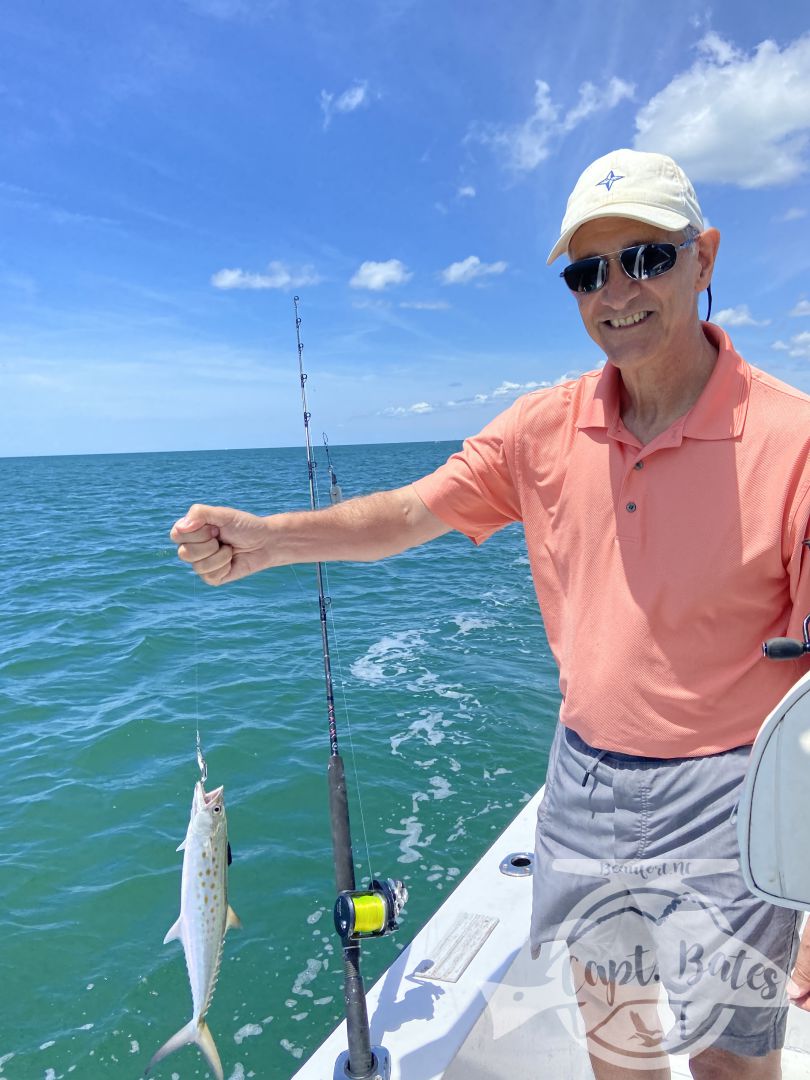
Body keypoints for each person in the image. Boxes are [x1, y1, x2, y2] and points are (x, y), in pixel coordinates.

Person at [171, 149, 810, 1079]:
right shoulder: (538, 429)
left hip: (732, 795)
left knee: (729, 1063)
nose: (615, 291)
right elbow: (404, 514)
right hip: (583, 782)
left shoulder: (795, 442)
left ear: (704, 257)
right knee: (616, 1041)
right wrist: (268, 539)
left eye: (646, 258)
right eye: (587, 271)